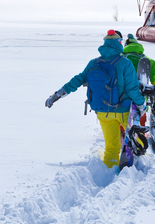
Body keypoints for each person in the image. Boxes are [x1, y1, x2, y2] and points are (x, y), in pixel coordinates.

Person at [45, 30, 146, 169]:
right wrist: (141, 105)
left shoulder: (94, 63)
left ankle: (109, 170)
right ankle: (137, 168)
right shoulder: (125, 63)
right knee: (133, 141)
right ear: (119, 44)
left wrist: (58, 94)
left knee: (111, 147)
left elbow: (78, 80)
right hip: (123, 111)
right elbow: (132, 89)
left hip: (103, 112)